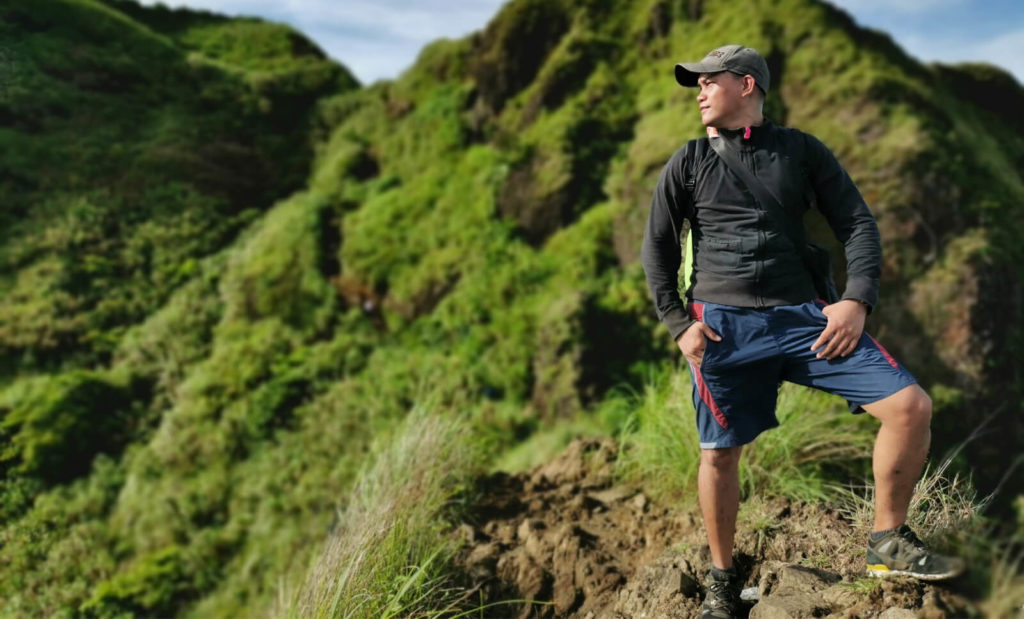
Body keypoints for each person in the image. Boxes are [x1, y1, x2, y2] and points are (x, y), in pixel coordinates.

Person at [640, 44, 964, 618]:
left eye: (708, 81)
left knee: (910, 406)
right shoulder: (687, 162)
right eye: (697, 83)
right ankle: (722, 579)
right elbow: (658, 249)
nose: (699, 91)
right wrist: (677, 325)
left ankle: (887, 542)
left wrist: (856, 301)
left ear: (746, 85)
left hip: (809, 321)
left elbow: (857, 224)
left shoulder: (801, 151)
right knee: (718, 454)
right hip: (722, 328)